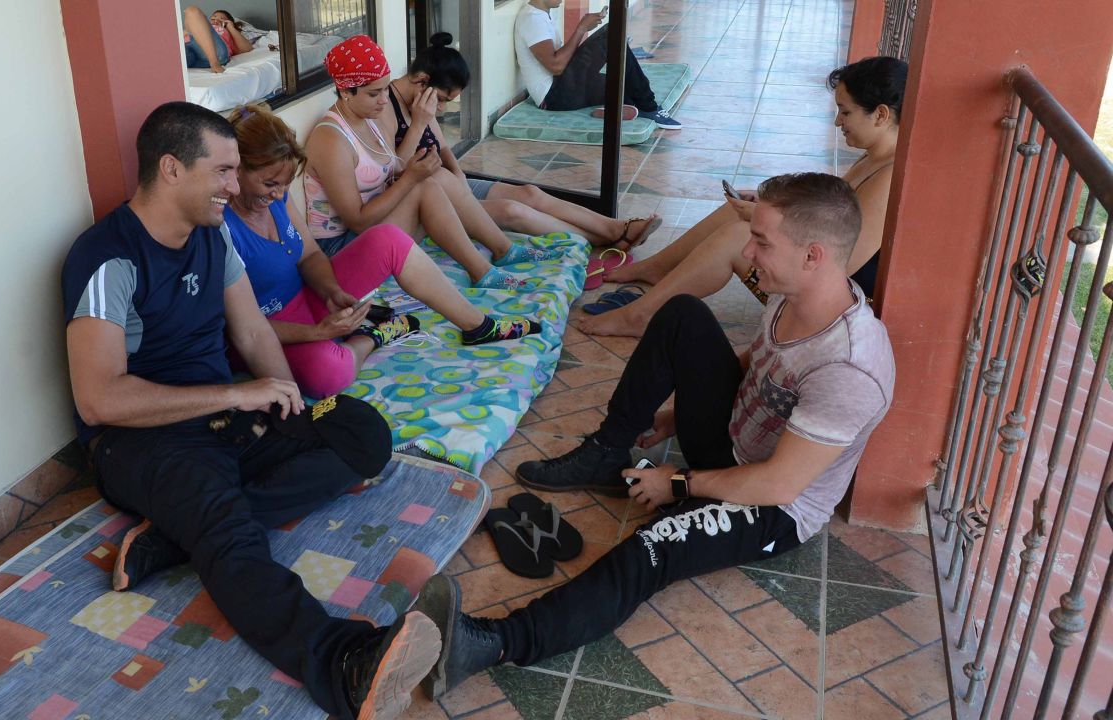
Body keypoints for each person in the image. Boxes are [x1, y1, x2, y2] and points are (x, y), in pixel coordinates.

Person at [408, 173, 896, 700]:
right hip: (734, 442)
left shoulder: (849, 368)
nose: (748, 253)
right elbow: (762, 359)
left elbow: (778, 486)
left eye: (762, 242)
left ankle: (487, 643)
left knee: (650, 549)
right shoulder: (797, 290)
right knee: (682, 314)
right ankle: (605, 454)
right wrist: (675, 413)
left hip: (772, 505)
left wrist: (678, 485)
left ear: (813, 255)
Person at [61, 101, 439, 720]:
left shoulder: (212, 237)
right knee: (228, 529)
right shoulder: (108, 257)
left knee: (359, 430)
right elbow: (99, 399)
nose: (236, 187)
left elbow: (255, 333)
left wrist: (285, 399)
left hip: (222, 422)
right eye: (224, 172)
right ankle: (343, 664)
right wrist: (236, 394)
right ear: (172, 169)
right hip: (141, 439)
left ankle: (175, 540)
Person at [224, 103, 542, 398]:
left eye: (285, 183)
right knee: (328, 374)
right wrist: (316, 332)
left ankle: (478, 326)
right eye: (269, 184)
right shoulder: (219, 225)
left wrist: (332, 291)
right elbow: (241, 330)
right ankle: (374, 337)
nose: (280, 193)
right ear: (236, 169)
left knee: (388, 239)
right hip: (266, 332)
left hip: (305, 300)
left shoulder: (276, 197)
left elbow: (309, 256)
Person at [581, 56, 908, 338]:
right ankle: (656, 268)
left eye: (845, 112)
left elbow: (841, 263)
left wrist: (765, 222)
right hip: (821, 273)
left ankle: (641, 316)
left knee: (739, 235)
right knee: (745, 212)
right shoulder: (875, 156)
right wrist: (768, 208)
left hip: (832, 302)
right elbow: (829, 212)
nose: (838, 121)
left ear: (880, 115)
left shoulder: (890, 177)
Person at [304, 35, 562, 290]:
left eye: (385, 89)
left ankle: (498, 254)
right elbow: (358, 221)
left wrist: (415, 170)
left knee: (431, 180)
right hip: (340, 250)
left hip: (373, 226)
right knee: (422, 184)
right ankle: (485, 267)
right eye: (374, 93)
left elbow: (392, 169)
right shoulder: (331, 139)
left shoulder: (369, 118)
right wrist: (410, 178)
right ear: (346, 91)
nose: (384, 99)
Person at [379, 32, 663, 249]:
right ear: (421, 80)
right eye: (442, 99)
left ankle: (615, 227)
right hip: (424, 196)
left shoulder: (422, 98)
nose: (440, 109)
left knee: (530, 193)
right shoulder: (387, 106)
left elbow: (442, 147)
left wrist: (460, 178)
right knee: (513, 211)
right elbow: (395, 170)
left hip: (448, 181)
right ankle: (608, 237)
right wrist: (417, 123)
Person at [515, 0, 682, 129]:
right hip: (552, 96)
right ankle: (650, 107)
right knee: (611, 35)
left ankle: (614, 110)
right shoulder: (532, 20)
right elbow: (555, 66)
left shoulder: (544, 14)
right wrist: (581, 29)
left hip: (563, 86)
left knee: (625, 88)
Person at [183, 5, 252, 73]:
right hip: (190, 54)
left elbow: (247, 48)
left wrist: (231, 27)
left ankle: (214, 63)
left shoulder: (227, 30)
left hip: (216, 55)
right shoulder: (203, 26)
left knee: (192, 11)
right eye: (214, 17)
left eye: (222, 18)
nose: (216, 19)